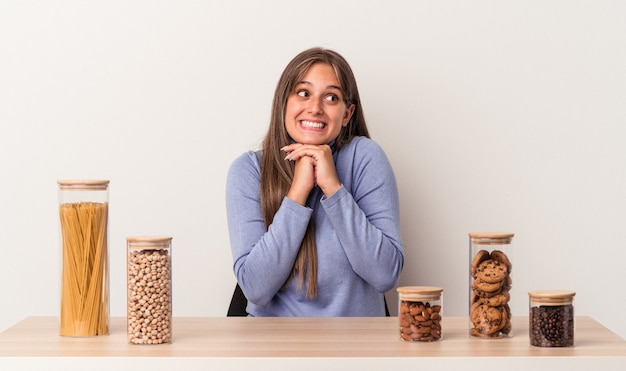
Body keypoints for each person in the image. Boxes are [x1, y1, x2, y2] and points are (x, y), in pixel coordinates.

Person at [226, 47, 404, 316]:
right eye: (303, 93)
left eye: (331, 97)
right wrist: (298, 192)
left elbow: (385, 275)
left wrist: (333, 188)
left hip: (357, 346)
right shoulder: (248, 170)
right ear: (284, 101)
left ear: (347, 114)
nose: (315, 108)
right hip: (273, 346)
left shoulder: (365, 157)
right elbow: (255, 288)